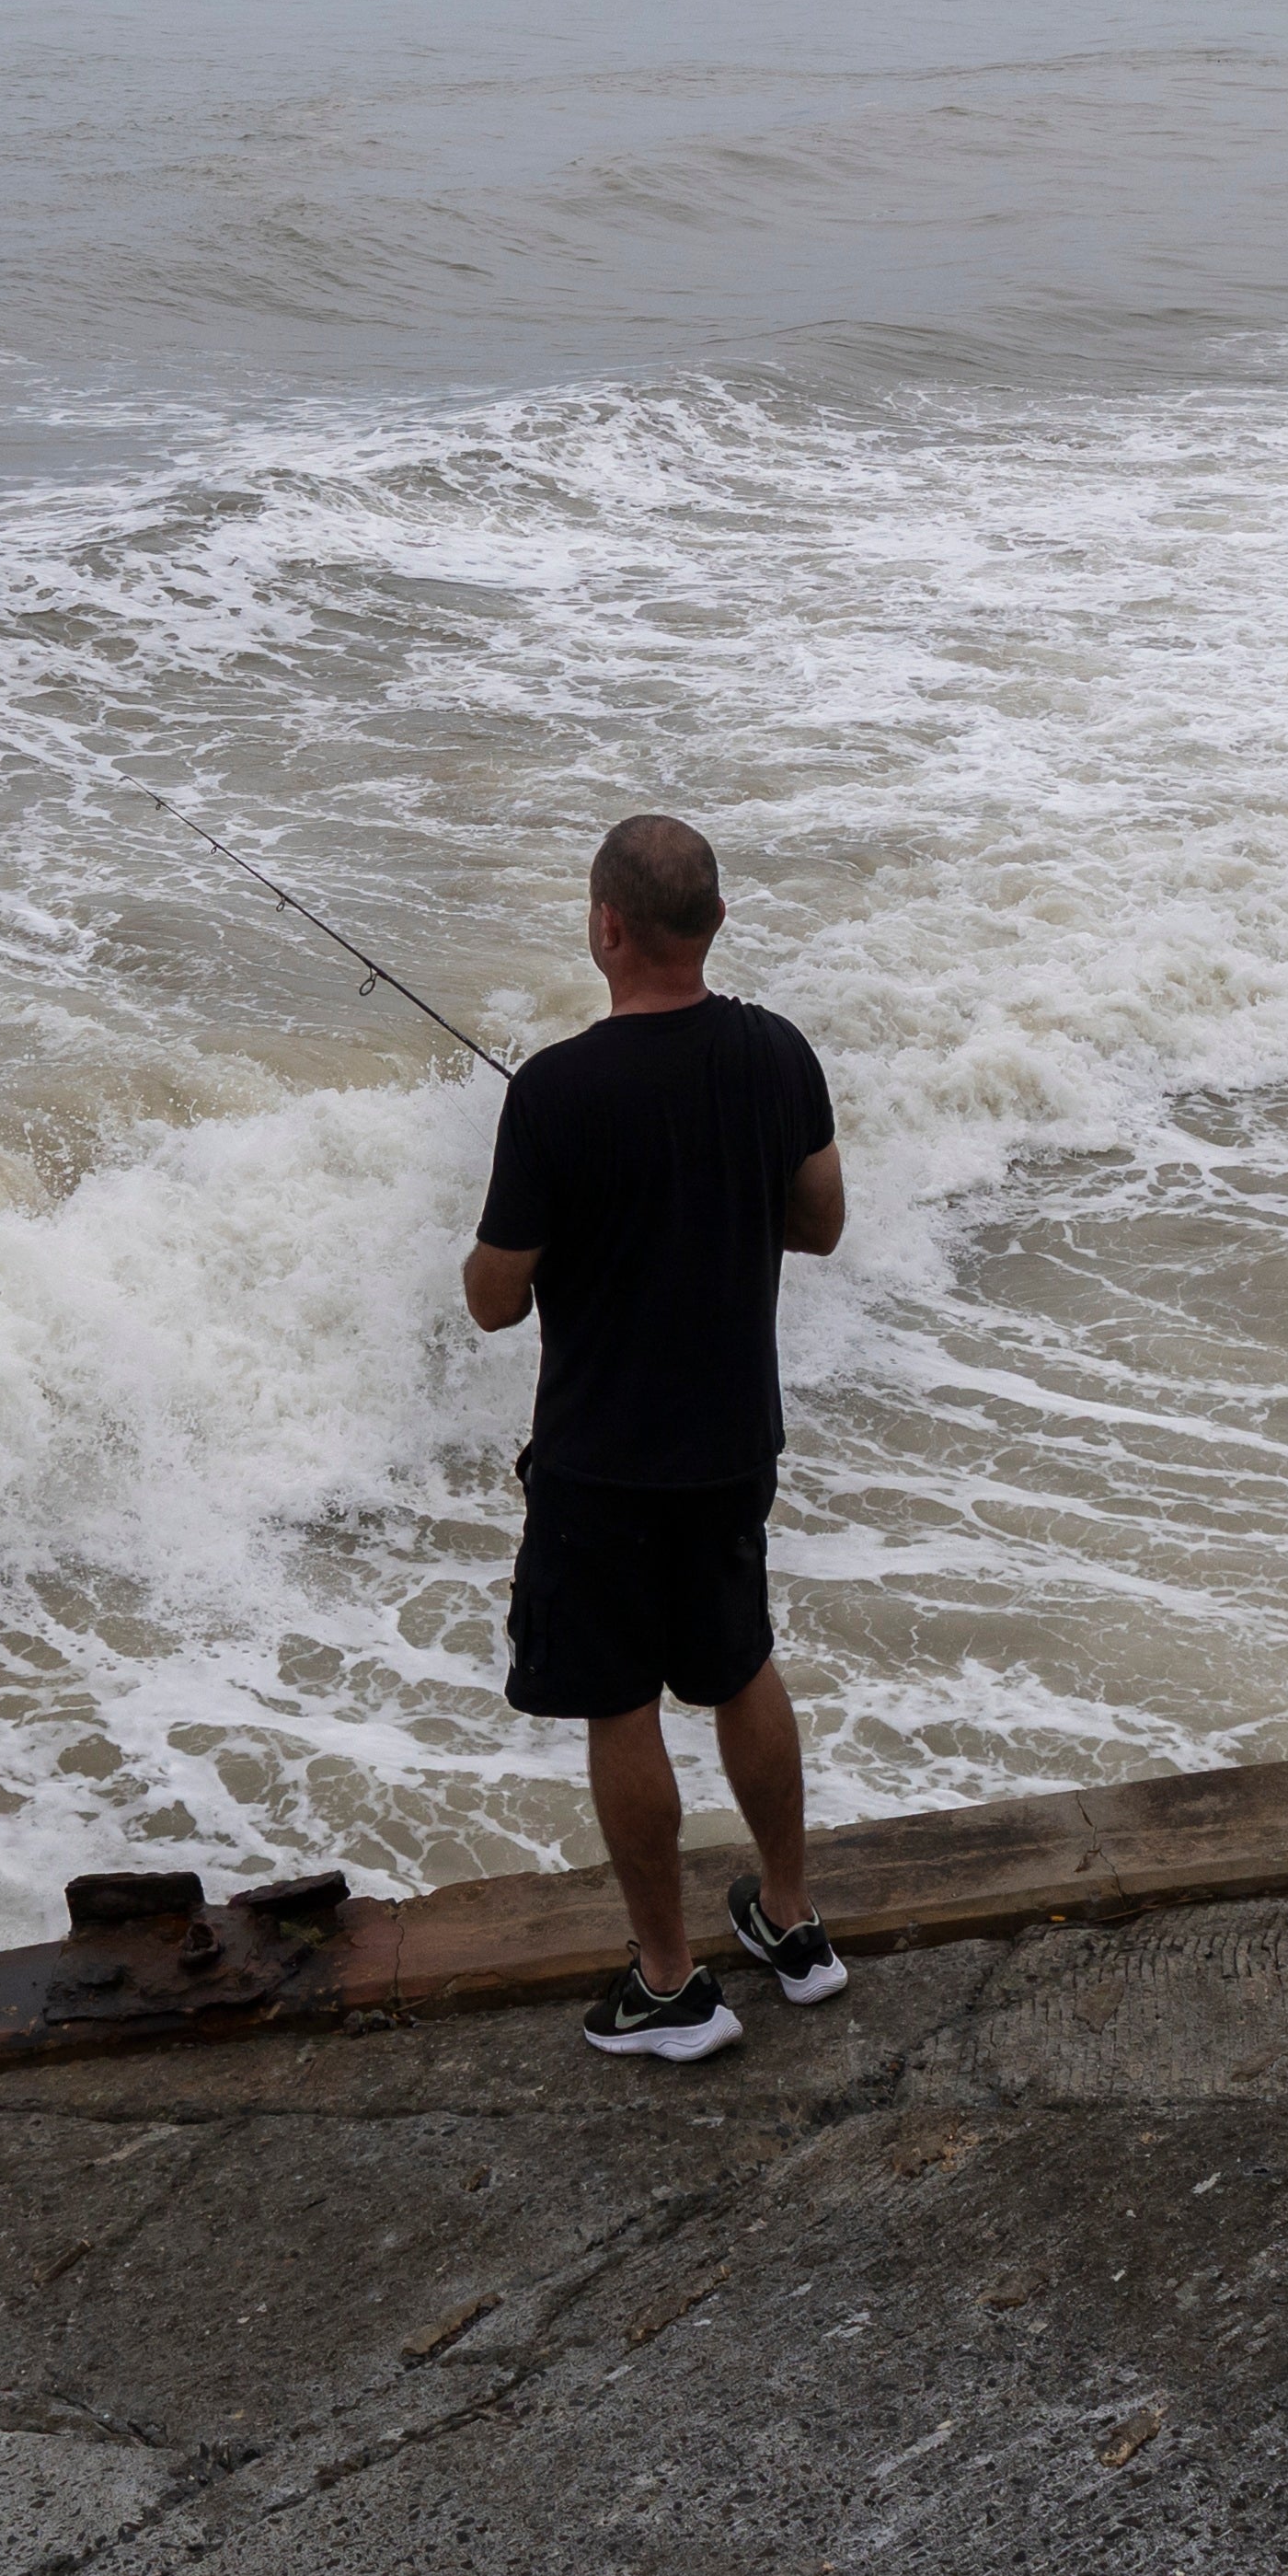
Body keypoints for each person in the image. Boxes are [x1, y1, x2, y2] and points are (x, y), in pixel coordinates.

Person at [464, 812, 850, 2062]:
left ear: (606, 925)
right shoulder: (775, 1052)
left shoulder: (559, 1091)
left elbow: (494, 1293)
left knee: (620, 1701)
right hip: (734, 1434)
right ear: (717, 923)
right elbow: (819, 1220)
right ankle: (793, 1927)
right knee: (741, 1664)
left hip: (604, 1458)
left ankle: (673, 1983)